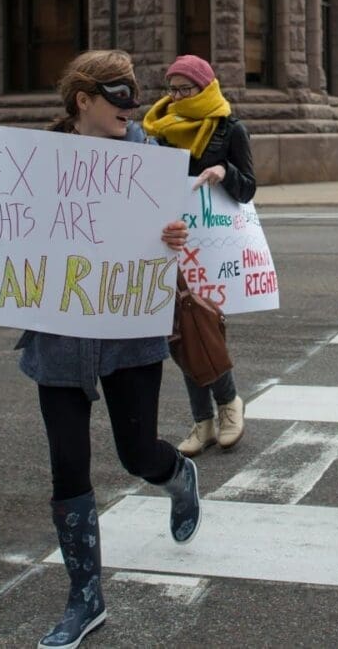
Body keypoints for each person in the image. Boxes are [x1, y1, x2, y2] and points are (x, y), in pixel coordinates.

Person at [0, 50, 201, 649]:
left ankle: (176, 475)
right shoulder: (28, 161)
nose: (130, 112)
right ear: (83, 103)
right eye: (117, 102)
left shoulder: (149, 160)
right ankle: (85, 598)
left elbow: (174, 234)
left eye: (132, 102)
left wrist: (177, 234)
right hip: (59, 337)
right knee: (67, 464)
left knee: (136, 454)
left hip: (127, 336)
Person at [143, 54, 255, 455]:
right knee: (178, 332)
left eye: (184, 89)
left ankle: (227, 405)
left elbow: (248, 189)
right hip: (166, 241)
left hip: (209, 245)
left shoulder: (229, 129)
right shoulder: (156, 129)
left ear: (204, 87)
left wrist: (225, 172)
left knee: (201, 327)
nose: (175, 97)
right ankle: (203, 420)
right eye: (171, 89)